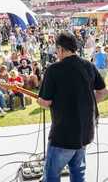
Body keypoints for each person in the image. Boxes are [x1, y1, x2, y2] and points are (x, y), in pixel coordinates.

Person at [37, 32, 108, 182]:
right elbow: (102, 92)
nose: (56, 53)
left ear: (61, 49)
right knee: (78, 173)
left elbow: (46, 102)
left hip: (63, 135)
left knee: (51, 175)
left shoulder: (53, 70)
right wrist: (86, 102)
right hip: (85, 133)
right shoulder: (89, 65)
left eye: (56, 50)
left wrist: (39, 101)